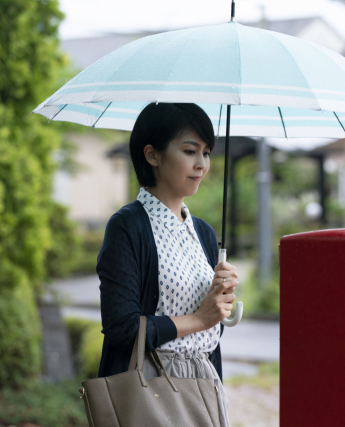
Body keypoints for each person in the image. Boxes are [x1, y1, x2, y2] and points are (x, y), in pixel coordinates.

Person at [96, 102, 239, 427]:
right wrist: (199, 318)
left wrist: (221, 299)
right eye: (190, 151)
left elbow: (208, 332)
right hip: (150, 387)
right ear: (152, 155)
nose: (201, 164)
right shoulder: (128, 226)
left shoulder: (203, 231)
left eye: (206, 152)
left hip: (204, 383)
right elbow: (122, 328)